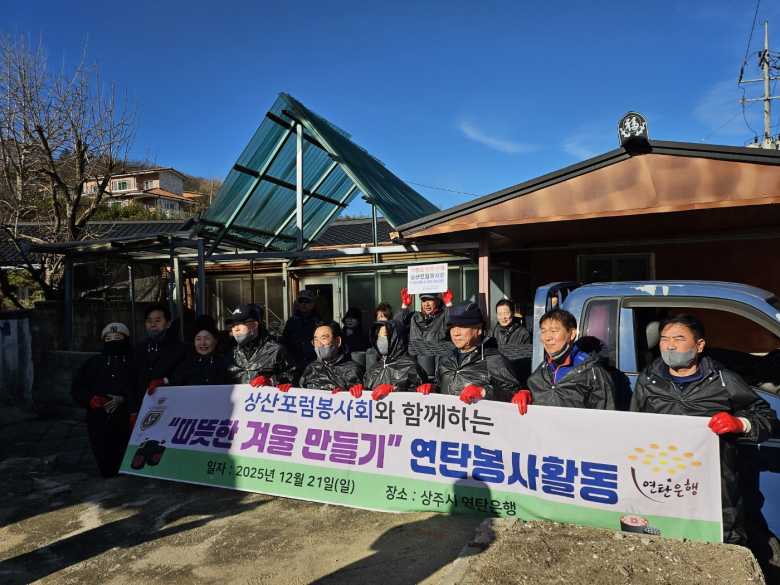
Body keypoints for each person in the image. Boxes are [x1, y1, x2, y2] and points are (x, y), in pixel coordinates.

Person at [630, 313, 777, 545]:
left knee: (721, 540)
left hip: (714, 481)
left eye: (679, 339)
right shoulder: (648, 380)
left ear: (699, 345)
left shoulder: (723, 380)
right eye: (664, 339)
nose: (670, 346)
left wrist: (740, 423)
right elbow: (634, 425)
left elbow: (764, 416)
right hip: (663, 479)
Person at [514, 308, 617, 415]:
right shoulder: (545, 367)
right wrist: (525, 391)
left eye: (553, 331)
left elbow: (606, 417)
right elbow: (532, 386)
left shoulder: (593, 371)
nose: (547, 337)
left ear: (571, 333)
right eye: (543, 331)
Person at [70, 322, 134, 477]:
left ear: (125, 339)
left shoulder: (135, 361)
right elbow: (77, 387)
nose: (113, 341)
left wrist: (124, 399)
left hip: (125, 419)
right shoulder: (93, 362)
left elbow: (141, 386)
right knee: (105, 460)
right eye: (108, 338)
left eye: (117, 337)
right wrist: (90, 400)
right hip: (99, 421)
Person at [424, 301, 519, 403]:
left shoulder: (495, 361)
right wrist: (432, 389)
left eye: (462, 326)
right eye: (452, 327)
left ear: (479, 329)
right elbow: (439, 385)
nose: (456, 333)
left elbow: (513, 393)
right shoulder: (446, 359)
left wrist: (484, 392)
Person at [131, 306, 188, 416]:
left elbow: (185, 374)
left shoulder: (180, 349)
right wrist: (132, 411)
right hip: (143, 408)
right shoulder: (139, 349)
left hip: (172, 408)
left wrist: (166, 380)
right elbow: (131, 380)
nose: (153, 325)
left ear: (168, 324)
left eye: (158, 321)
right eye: (149, 321)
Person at [224, 305, 297, 389]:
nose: (236, 329)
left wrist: (272, 381)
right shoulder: (230, 352)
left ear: (255, 325)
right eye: (233, 325)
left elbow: (292, 376)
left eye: (241, 323)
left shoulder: (276, 350)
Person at [364, 319, 428, 400]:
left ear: (396, 339)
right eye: (378, 336)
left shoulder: (411, 368)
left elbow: (421, 398)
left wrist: (395, 389)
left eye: (385, 336)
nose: (380, 340)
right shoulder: (373, 369)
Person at [297, 320, 364, 394]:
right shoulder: (311, 368)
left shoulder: (352, 370)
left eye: (324, 338)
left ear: (338, 341)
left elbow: (361, 397)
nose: (319, 344)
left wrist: (345, 395)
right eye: (316, 340)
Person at [169, 315, 226, 386]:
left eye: (207, 338)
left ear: (216, 340)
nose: (202, 343)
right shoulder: (185, 365)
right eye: (198, 339)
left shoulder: (226, 363)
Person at [281, 289, 324, 374]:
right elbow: (284, 343)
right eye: (301, 301)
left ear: (313, 303)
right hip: (295, 366)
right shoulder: (291, 321)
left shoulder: (321, 322)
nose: (303, 304)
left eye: (307, 301)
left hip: (316, 366)